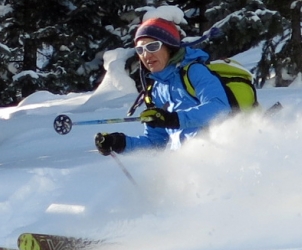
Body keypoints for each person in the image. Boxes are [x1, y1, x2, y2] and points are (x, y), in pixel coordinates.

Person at [95, 17, 231, 155]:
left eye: (153, 46)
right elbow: (155, 142)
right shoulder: (156, 90)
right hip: (187, 162)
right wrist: (120, 143)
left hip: (217, 156)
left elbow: (220, 107)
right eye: (140, 50)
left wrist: (174, 119)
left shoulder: (194, 71)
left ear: (169, 47)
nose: (146, 55)